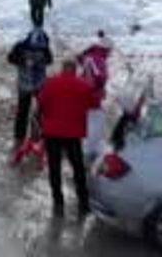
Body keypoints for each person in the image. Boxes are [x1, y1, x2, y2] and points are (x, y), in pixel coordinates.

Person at [36, 59, 100, 217]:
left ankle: (58, 201)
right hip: (73, 134)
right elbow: (95, 104)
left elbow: (41, 103)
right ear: (75, 70)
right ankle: (83, 202)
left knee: (54, 167)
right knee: (78, 168)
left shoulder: (51, 83)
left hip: (52, 133)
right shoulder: (84, 85)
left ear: (62, 69)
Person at [8, 25, 53, 146]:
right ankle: (19, 136)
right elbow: (10, 58)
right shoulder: (20, 46)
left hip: (40, 83)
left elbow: (50, 60)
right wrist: (23, 60)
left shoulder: (45, 47)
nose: (36, 50)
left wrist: (39, 62)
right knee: (22, 110)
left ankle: (36, 136)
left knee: (40, 111)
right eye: (34, 47)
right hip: (24, 83)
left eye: (39, 48)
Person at [77, 32, 113, 161]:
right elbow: (99, 76)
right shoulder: (98, 58)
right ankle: (89, 150)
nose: (110, 54)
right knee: (96, 119)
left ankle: (90, 146)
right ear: (106, 49)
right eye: (110, 51)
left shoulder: (90, 55)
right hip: (91, 94)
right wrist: (101, 88)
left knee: (90, 119)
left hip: (85, 92)